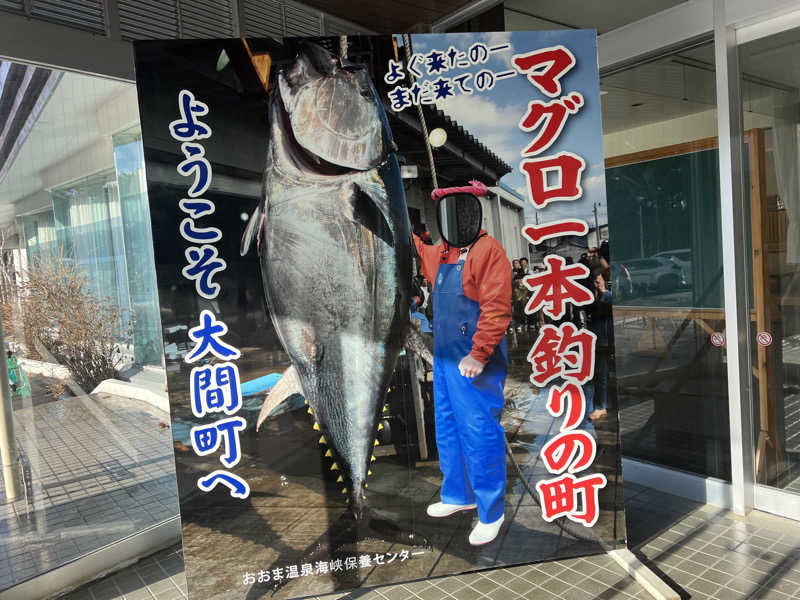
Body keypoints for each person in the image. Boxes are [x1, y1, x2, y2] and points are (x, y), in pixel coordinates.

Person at [413, 180, 511, 546]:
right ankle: (458, 496)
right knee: (449, 427)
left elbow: (497, 308)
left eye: (461, 209)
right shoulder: (442, 254)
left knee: (479, 432)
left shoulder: (489, 251)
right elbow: (418, 249)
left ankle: (491, 511)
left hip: (473, 362)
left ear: (474, 211)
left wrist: (480, 352)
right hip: (443, 358)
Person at [588, 269, 613, 420]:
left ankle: (601, 405)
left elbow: (608, 301)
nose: (596, 284)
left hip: (604, 339)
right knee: (599, 374)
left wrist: (602, 290)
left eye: (599, 280)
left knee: (601, 373)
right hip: (596, 339)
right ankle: (601, 404)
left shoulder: (607, 295)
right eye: (594, 281)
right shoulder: (593, 296)